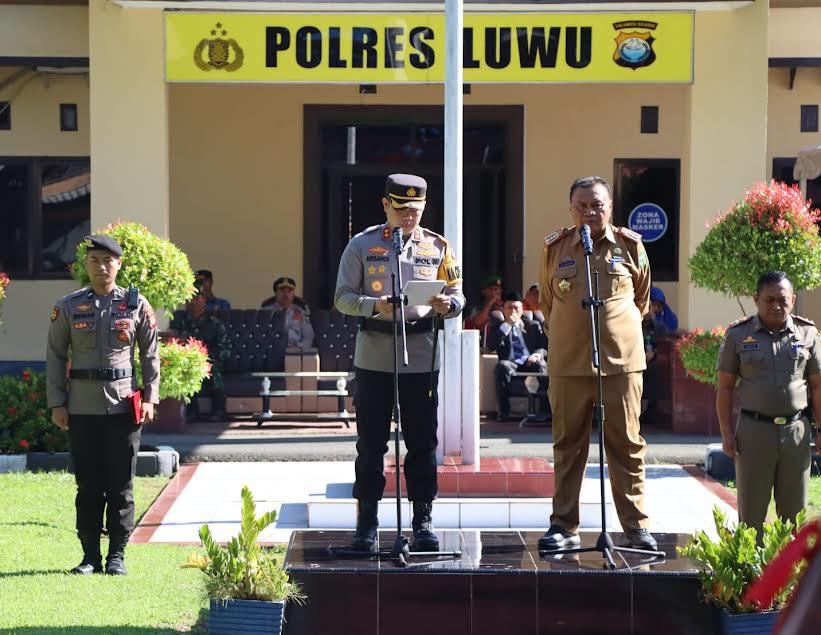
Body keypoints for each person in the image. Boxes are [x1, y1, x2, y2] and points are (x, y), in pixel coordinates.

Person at [334, 173, 464, 553]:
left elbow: (457, 294)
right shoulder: (362, 245)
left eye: (417, 209)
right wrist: (373, 305)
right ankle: (367, 523)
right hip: (375, 353)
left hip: (422, 354)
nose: (410, 216)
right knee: (371, 443)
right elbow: (342, 297)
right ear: (385, 204)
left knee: (423, 443)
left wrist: (448, 305)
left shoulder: (439, 246)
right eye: (403, 208)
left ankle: (423, 520)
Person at [538, 175, 656, 551]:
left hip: (620, 365)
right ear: (571, 209)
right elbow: (547, 301)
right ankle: (564, 526)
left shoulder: (630, 246)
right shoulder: (556, 248)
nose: (589, 212)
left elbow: (642, 301)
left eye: (597, 205)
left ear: (610, 208)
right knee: (568, 447)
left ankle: (635, 527)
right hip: (569, 366)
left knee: (627, 446)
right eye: (581, 206)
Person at [46, 234, 159, 576]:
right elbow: (54, 356)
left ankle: (117, 557)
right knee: (89, 485)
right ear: (86, 265)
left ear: (119, 264)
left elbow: (150, 354)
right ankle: (90, 557)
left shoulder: (136, 305)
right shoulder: (68, 305)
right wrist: (57, 403)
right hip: (81, 409)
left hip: (124, 408)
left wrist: (151, 397)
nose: (101, 266)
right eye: (94, 260)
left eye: (108, 260)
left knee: (121, 485)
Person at [716, 270, 820, 537]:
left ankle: (792, 577)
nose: (776, 306)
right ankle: (752, 577)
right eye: (769, 299)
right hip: (753, 432)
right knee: (751, 516)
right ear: (756, 299)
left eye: (783, 300)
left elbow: (818, 386)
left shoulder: (808, 333)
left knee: (794, 517)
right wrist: (727, 434)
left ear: (793, 299)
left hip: (796, 433)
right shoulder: (738, 336)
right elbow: (725, 387)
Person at [170, 280, 232, 421]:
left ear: (204, 300)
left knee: (215, 373)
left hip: (211, 361)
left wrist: (212, 359)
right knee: (186, 372)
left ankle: (219, 411)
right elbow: (173, 341)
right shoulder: (179, 320)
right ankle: (191, 412)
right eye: (191, 298)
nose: (194, 301)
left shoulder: (214, 323)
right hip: (187, 360)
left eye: (197, 298)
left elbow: (225, 347)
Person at [487, 290, 547, 421]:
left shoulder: (533, 325)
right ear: (503, 310)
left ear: (522, 309)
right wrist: (507, 325)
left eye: (516, 308)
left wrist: (537, 354)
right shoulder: (498, 327)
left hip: (529, 361)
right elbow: (490, 346)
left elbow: (543, 346)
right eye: (509, 308)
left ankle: (545, 410)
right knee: (501, 367)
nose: (513, 311)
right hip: (511, 363)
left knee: (541, 365)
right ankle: (504, 412)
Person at [260, 276, 315, 348]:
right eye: (282, 290)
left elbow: (308, 338)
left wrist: (297, 348)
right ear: (275, 292)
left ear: (293, 293)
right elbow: (260, 336)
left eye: (289, 290)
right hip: (271, 351)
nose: (286, 294)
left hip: (295, 352)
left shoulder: (302, 312)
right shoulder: (265, 312)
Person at [463, 274, 504, 348]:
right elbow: (478, 322)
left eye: (497, 289)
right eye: (492, 289)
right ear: (484, 291)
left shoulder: (506, 306)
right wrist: (491, 302)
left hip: (503, 344)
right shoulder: (477, 307)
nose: (495, 292)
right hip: (483, 346)